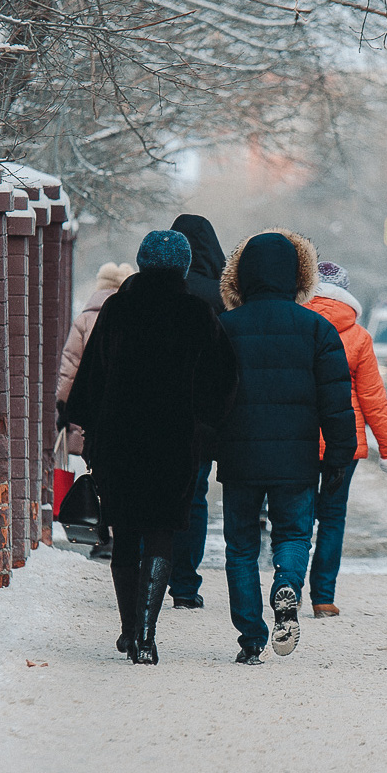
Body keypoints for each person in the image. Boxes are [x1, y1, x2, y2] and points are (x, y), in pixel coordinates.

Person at [64, 231, 238, 664]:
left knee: (124, 534)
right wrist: (204, 427)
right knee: (161, 531)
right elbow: (223, 380)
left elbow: (90, 377)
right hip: (174, 441)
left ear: (141, 263)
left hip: (118, 440)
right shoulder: (197, 313)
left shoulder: (118, 309)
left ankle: (127, 631)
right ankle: (146, 634)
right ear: (182, 267)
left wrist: (85, 425)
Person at [214, 229, 355, 665]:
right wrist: (337, 456)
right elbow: (337, 401)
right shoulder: (317, 329)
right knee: (293, 534)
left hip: (238, 457)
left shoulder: (223, 327)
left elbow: (208, 395)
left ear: (240, 277)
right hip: (296, 458)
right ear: (299, 276)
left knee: (239, 547)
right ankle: (287, 584)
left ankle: (251, 637)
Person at [303, 261, 387, 619]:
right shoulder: (359, 336)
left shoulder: (295, 323)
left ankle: (286, 583)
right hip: (343, 442)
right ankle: (322, 598)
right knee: (332, 518)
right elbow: (373, 400)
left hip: (296, 438)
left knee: (297, 516)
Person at [54, 262, 136, 560]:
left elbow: (70, 368)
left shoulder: (85, 319)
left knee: (97, 471)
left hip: (92, 412)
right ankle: (119, 532)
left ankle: (101, 534)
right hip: (124, 411)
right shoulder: (133, 315)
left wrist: (65, 406)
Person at [166, 214, 225, 608]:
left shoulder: (150, 289)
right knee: (195, 495)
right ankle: (185, 585)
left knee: (152, 490)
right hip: (200, 414)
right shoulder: (219, 297)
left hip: (152, 410)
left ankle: (147, 572)